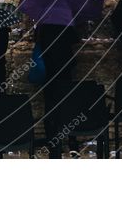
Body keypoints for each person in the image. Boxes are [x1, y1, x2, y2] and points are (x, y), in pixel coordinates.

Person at [36, 24, 79, 157]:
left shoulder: (42, 25)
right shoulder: (66, 23)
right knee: (68, 106)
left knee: (50, 106)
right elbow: (75, 39)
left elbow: (37, 40)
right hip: (64, 70)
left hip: (49, 70)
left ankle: (53, 143)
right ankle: (72, 144)